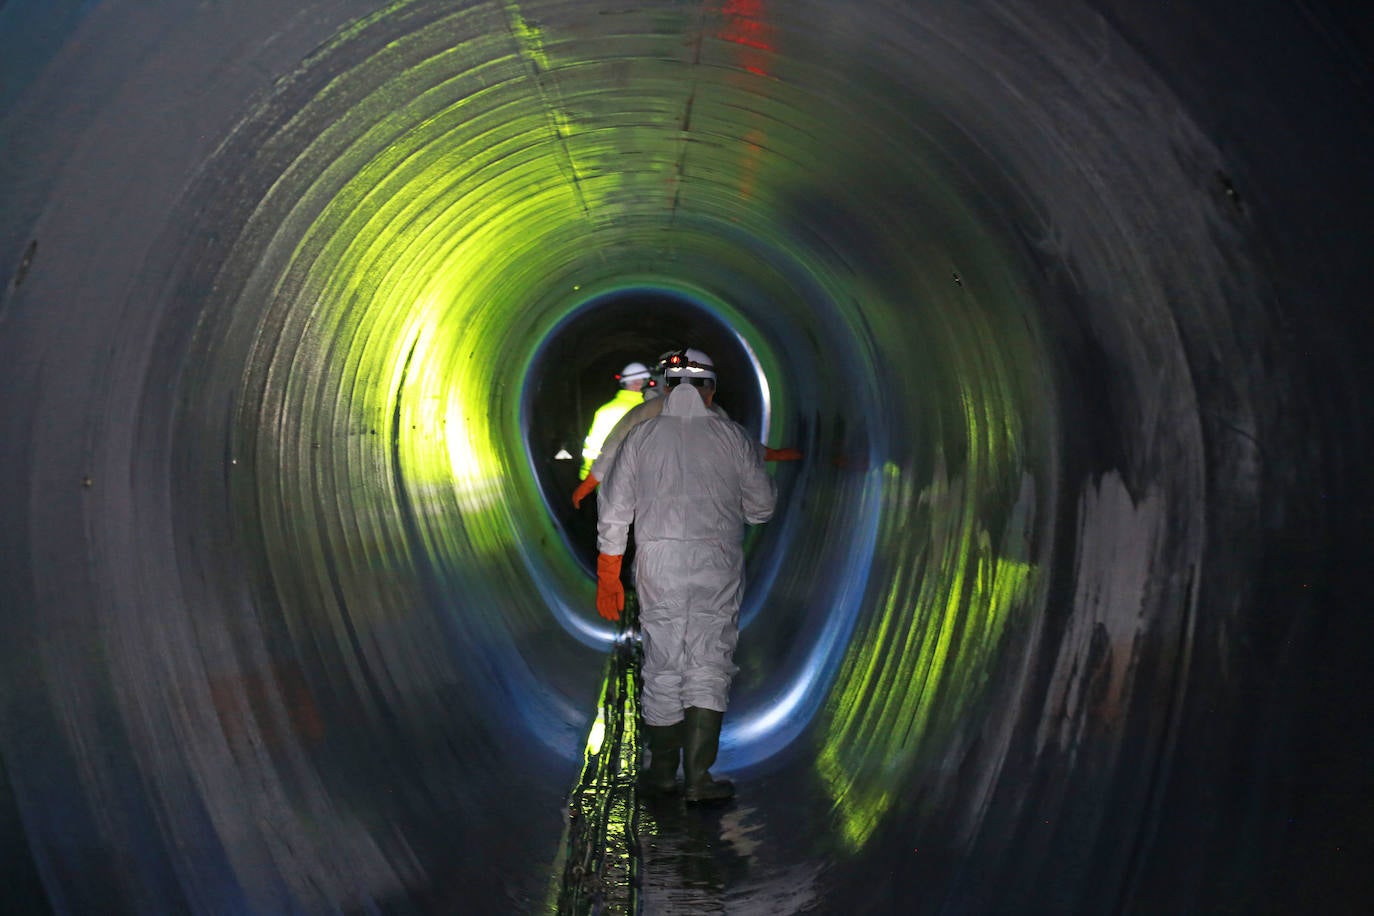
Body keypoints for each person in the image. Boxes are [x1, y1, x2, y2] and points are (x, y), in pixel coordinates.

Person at [595, 348, 777, 803]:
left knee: (662, 662)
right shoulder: (733, 438)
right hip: (716, 561)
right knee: (709, 661)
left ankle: (661, 775)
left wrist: (609, 575)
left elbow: (614, 511)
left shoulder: (642, 437)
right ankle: (698, 780)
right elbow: (762, 508)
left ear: (667, 388)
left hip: (659, 562)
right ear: (711, 391)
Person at [571, 350, 801, 509]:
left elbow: (608, 450)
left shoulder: (638, 409)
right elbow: (736, 443)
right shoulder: (700, 411)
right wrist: (775, 455)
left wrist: (588, 484)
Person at [579, 361, 651, 481]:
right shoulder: (656, 409)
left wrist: (587, 475)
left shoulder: (605, 411)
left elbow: (593, 448)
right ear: (639, 383)